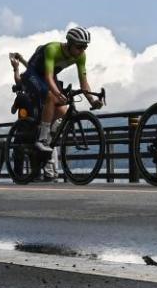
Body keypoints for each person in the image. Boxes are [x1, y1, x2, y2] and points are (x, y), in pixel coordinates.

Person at [10, 27, 103, 180]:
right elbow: (47, 77)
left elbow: (84, 82)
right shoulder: (52, 49)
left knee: (63, 112)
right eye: (79, 46)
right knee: (51, 96)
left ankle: (44, 138)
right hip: (33, 74)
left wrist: (92, 100)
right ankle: (42, 140)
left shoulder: (81, 56)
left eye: (85, 47)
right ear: (70, 43)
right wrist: (57, 93)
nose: (82, 50)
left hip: (49, 77)